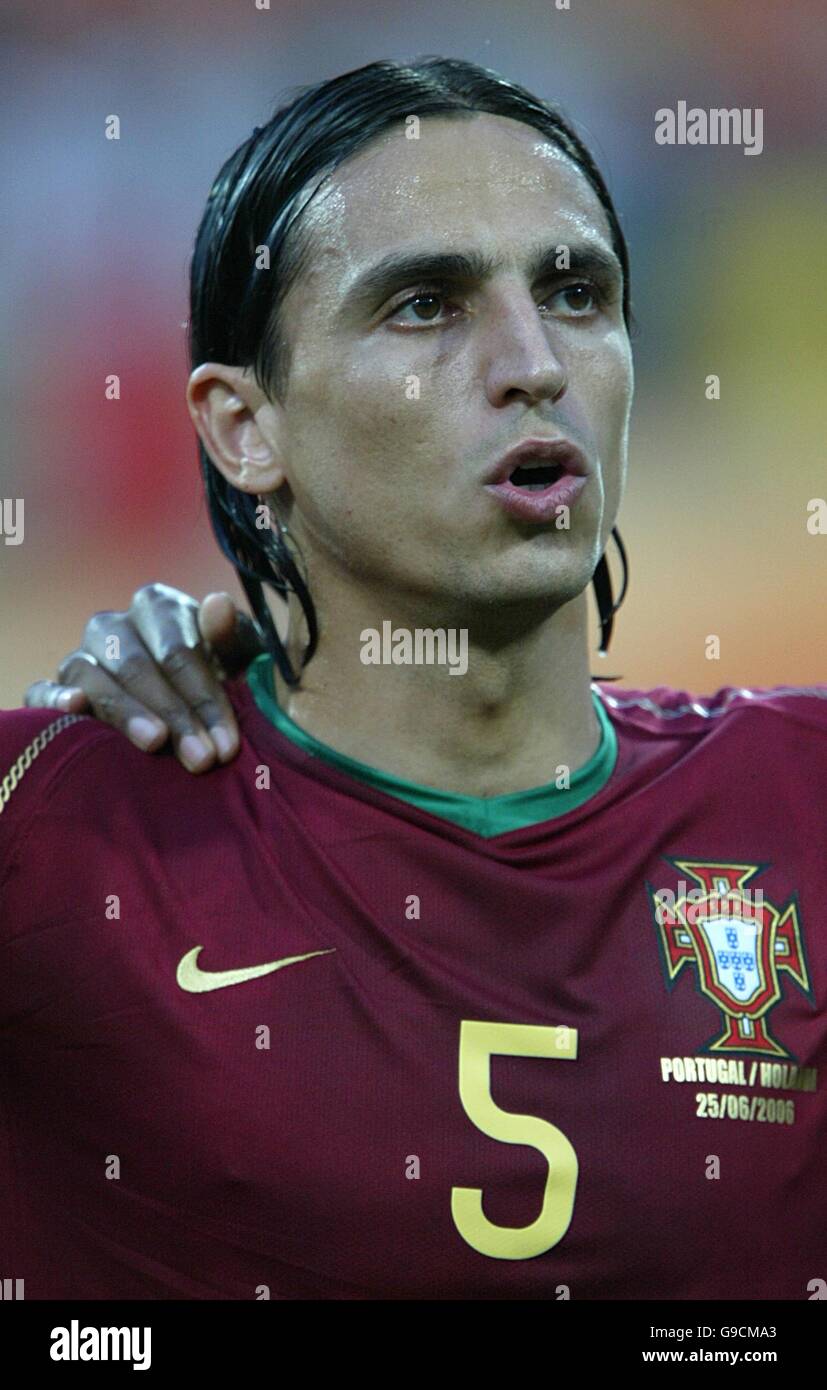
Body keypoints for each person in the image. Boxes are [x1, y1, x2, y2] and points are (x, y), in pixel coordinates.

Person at [5, 56, 825, 1300]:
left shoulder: (802, 800)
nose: (530, 359)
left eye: (573, 290)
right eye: (425, 305)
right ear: (243, 427)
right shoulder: (55, 826)